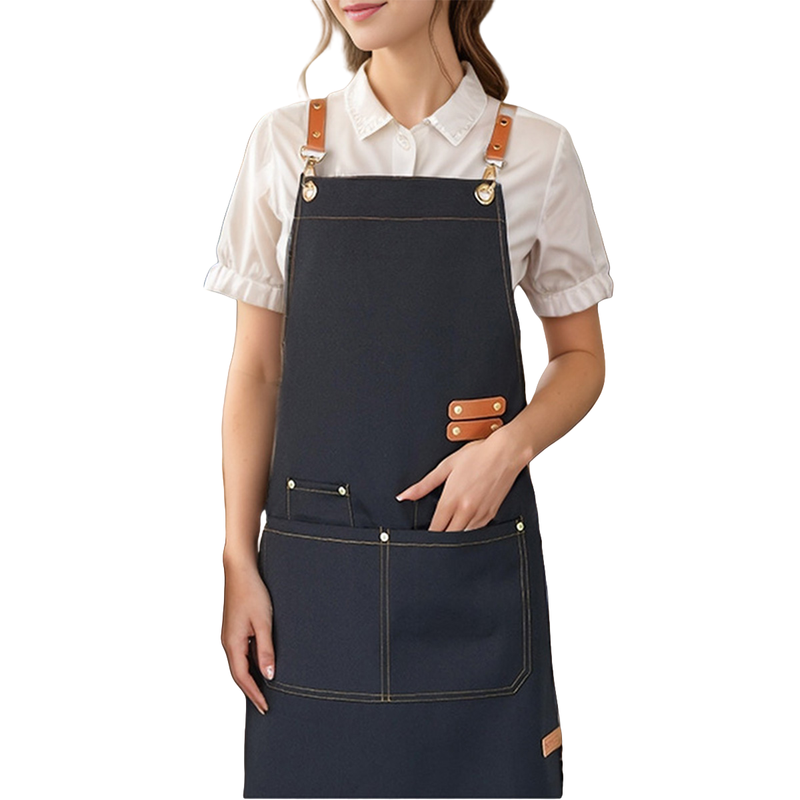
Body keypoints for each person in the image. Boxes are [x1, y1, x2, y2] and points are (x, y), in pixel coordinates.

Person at [203, 1, 613, 796]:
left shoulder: (536, 153)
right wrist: (236, 557)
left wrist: (509, 447)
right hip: (315, 592)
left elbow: (582, 358)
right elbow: (256, 372)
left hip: (471, 572)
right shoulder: (285, 145)